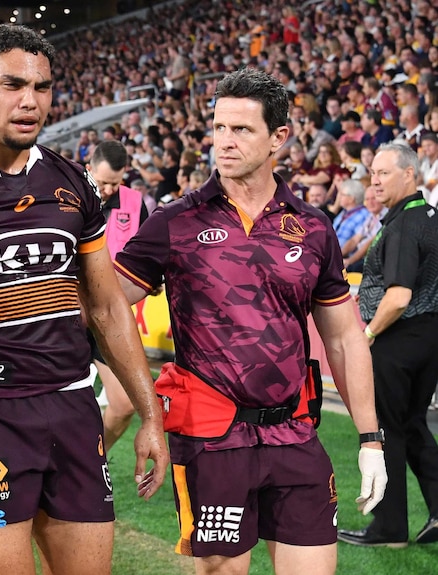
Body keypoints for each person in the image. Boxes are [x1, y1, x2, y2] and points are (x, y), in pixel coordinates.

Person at [0, 25, 168, 575]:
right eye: (12, 84)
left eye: (42, 88)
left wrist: (151, 414)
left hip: (72, 408)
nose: (29, 101)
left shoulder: (75, 182)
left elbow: (109, 309)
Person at [114, 67, 386, 574]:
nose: (225, 141)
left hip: (296, 435)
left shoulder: (311, 227)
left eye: (241, 130)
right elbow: (105, 305)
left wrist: (370, 440)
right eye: (219, 128)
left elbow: (346, 338)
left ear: (279, 137)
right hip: (212, 442)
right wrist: (147, 409)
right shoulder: (176, 222)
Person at [339, 142, 438, 548]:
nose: (374, 181)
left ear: (410, 175)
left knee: (386, 430)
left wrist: (367, 334)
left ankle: (388, 528)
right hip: (427, 336)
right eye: (372, 174)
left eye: (383, 174)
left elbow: (397, 296)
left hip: (400, 338)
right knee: (414, 425)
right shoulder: (428, 217)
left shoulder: (404, 224)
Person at [86, 140, 150, 452]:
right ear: (88, 169)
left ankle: (93, 460)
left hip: (108, 317)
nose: (109, 189)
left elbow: (149, 260)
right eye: (102, 182)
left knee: (124, 405)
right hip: (64, 315)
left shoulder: (135, 205)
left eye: (115, 182)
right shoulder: (65, 197)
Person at [340, 185, 386, 272]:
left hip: (371, 261)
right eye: (367, 199)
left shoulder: (386, 216)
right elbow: (354, 240)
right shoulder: (370, 216)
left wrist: (349, 261)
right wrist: (338, 256)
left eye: (373, 198)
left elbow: (369, 245)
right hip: (358, 258)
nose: (370, 202)